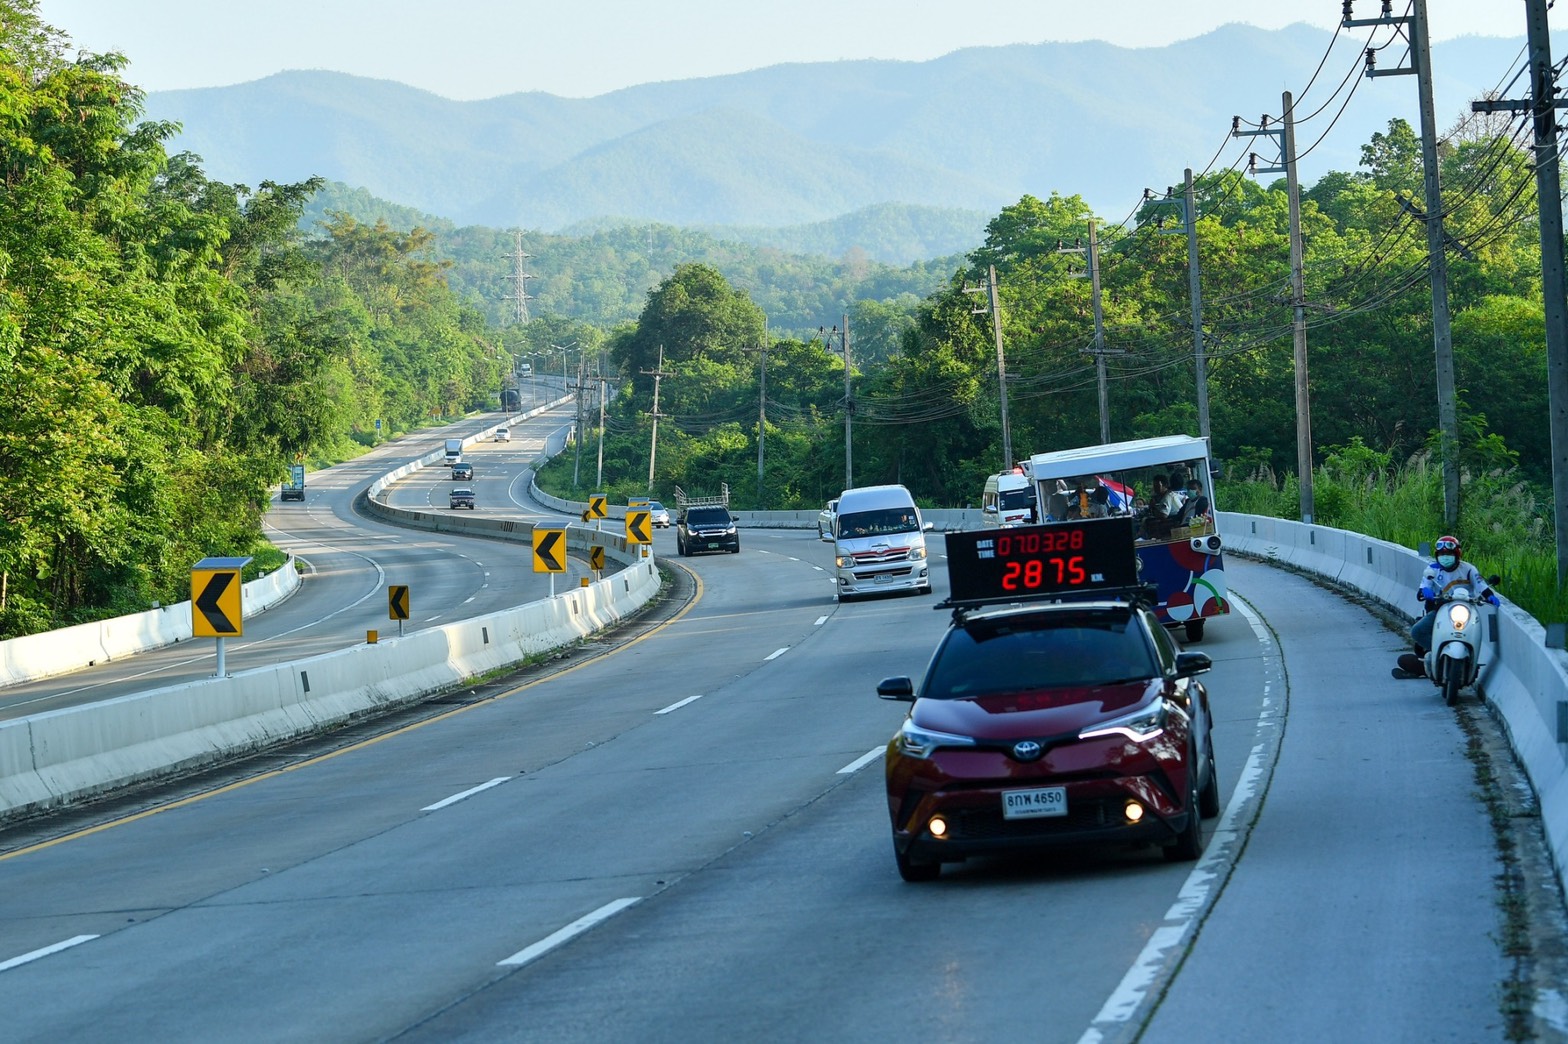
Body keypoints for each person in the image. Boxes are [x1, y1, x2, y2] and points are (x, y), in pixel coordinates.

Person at [1394, 535, 1499, 678]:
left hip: (1466, 609)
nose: (1445, 557)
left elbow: (1481, 586)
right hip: (1441, 609)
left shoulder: (1468, 569)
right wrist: (1426, 591)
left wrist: (1490, 596)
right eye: (1442, 555)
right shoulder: (1432, 569)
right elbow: (1424, 586)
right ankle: (1436, 655)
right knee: (1417, 631)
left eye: (1449, 554)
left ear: (1457, 555)